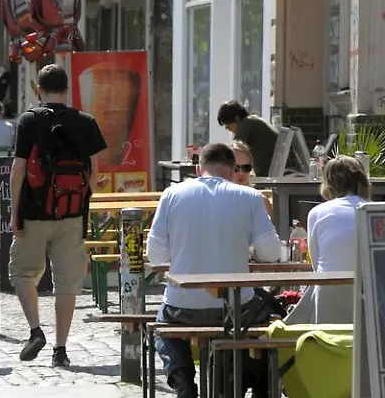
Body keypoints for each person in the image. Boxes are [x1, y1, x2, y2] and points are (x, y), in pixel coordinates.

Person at [147, 142, 282, 398]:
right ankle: (234, 382)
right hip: (235, 310)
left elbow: (155, 254)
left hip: (182, 308)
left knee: (163, 325)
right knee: (266, 312)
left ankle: (183, 380)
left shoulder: (172, 194)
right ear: (232, 170)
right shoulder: (250, 197)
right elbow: (271, 254)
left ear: (199, 169)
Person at [9, 64, 107, 367]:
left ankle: (36, 331)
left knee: (23, 273)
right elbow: (95, 172)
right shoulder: (86, 122)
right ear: (66, 90)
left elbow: (19, 169)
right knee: (67, 284)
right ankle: (60, 350)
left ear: (38, 89)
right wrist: (80, 202)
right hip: (72, 216)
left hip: (35, 214)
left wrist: (15, 213)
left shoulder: (29, 120)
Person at [285, 155, 368, 325]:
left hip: (329, 289)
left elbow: (316, 263)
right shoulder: (372, 210)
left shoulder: (317, 212)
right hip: (368, 290)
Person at [217, 100, 278, 177]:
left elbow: (234, 150)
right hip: (268, 171)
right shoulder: (253, 121)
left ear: (237, 118)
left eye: (227, 124)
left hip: (265, 174)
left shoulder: (246, 124)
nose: (226, 128)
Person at [231, 140, 273, 217]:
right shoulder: (216, 202)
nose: (241, 173)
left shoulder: (261, 202)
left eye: (246, 168)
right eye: (236, 168)